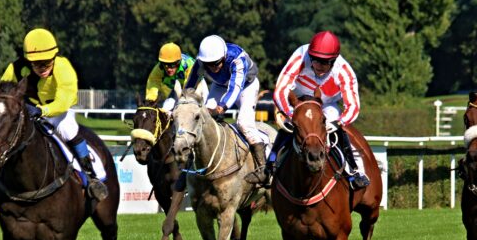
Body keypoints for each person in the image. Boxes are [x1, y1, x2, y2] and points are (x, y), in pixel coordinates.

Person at [0, 28, 108, 201]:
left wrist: (42, 111)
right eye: (37, 64)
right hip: (27, 111)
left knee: (68, 130)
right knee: (8, 135)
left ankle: (91, 177)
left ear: (54, 57)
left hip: (57, 112)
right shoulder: (15, 68)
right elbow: (4, 95)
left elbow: (64, 100)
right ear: (28, 61)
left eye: (47, 63)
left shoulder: (63, 68)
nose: (43, 68)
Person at [268, 30, 369, 190]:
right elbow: (280, 91)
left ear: (334, 60)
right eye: (316, 60)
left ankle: (354, 171)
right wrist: (291, 115)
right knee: (288, 126)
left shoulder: (344, 71)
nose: (320, 66)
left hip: (326, 104)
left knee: (336, 124)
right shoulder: (300, 56)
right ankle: (269, 166)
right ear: (310, 55)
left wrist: (339, 123)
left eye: (326, 62)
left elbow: (353, 106)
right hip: (300, 101)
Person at [181, 34, 267, 184]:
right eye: (208, 64)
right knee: (204, 119)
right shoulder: (201, 61)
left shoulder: (237, 59)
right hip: (220, 86)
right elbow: (190, 84)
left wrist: (222, 106)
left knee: (244, 123)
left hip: (246, 86)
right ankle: (191, 166)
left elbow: (235, 88)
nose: (213, 68)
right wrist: (184, 101)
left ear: (224, 56)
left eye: (216, 63)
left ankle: (263, 169)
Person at [145, 42, 195, 112]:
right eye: (165, 64)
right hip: (175, 89)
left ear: (178, 62)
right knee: (165, 110)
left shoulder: (189, 65)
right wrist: (151, 101)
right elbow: (153, 82)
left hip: (195, 86)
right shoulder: (159, 68)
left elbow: (190, 86)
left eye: (172, 65)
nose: (168, 69)